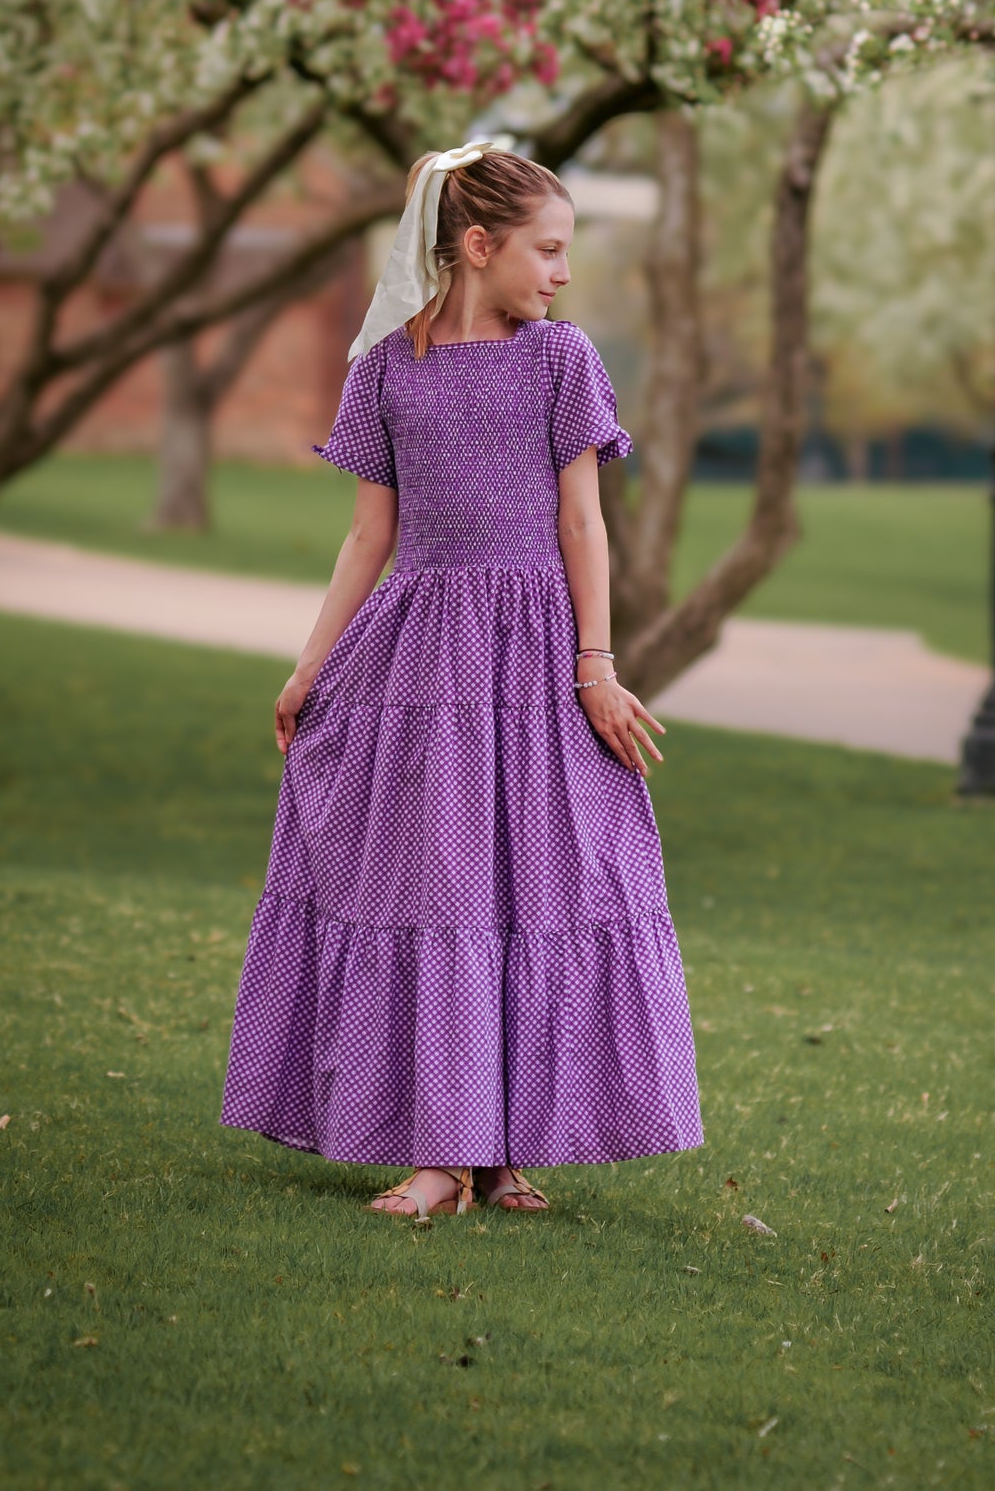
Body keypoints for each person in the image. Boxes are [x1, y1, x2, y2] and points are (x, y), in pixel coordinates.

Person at [220, 141, 703, 1218]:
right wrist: (309, 666)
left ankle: (500, 1153)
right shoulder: (386, 366)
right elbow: (366, 537)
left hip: (535, 660)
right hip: (422, 661)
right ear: (477, 245)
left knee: (540, 891)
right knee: (440, 896)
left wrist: (596, 663)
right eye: (546, 249)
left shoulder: (559, 361)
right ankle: (443, 1152)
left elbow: (583, 521)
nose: (561, 273)